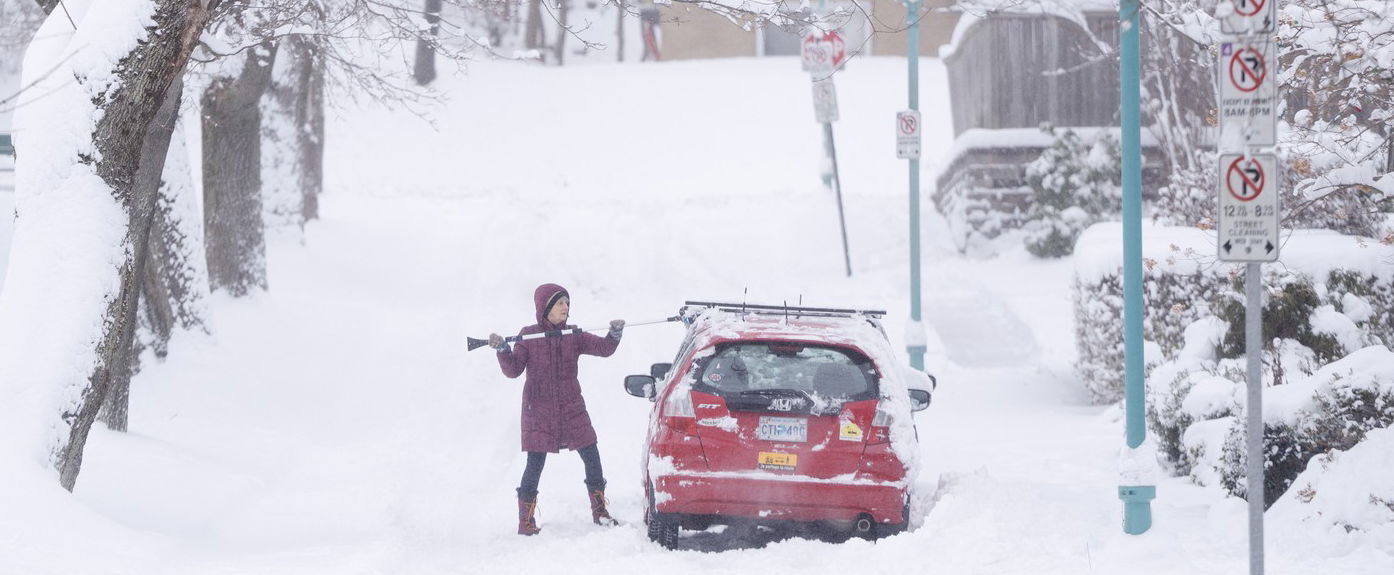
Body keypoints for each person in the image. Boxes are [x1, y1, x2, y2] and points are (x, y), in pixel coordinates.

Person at [488, 283, 625, 536]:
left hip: (572, 406)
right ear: (546, 308)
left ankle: (600, 512)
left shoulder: (573, 335)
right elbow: (513, 370)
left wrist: (614, 334)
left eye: (567, 303)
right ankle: (525, 522)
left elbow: (604, 349)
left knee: (591, 455)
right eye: (560, 303)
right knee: (535, 463)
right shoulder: (529, 336)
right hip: (538, 409)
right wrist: (503, 350)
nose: (566, 307)